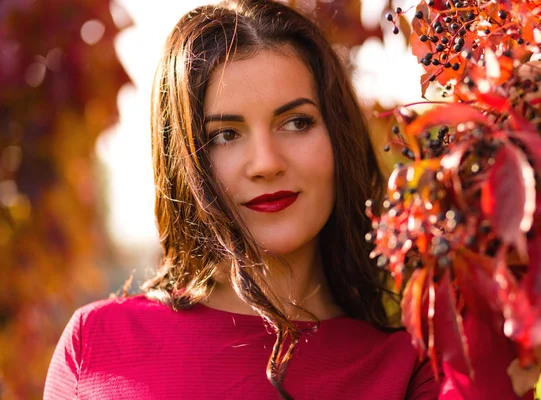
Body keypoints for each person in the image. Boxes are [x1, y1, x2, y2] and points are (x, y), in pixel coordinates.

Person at [44, 0, 441, 398]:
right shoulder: (96, 345)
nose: (266, 163)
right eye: (225, 135)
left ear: (340, 139)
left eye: (296, 122)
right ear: (184, 161)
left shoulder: (410, 368)